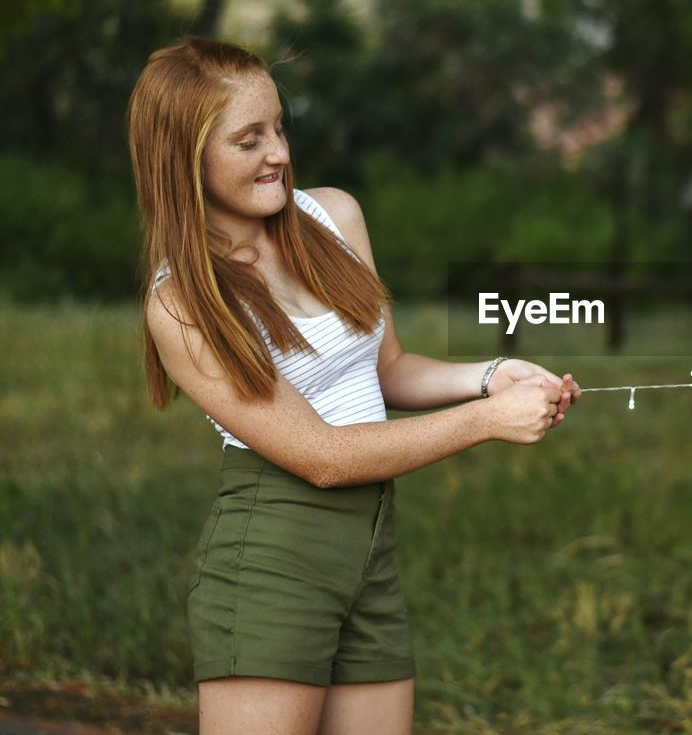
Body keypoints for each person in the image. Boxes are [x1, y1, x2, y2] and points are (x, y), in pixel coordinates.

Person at [128, 37, 581, 734]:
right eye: (248, 140)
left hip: (371, 549)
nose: (278, 152)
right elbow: (322, 455)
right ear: (185, 158)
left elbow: (388, 368)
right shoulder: (184, 303)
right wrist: (486, 422)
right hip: (274, 556)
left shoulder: (332, 217)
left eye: (279, 127)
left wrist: (490, 377)